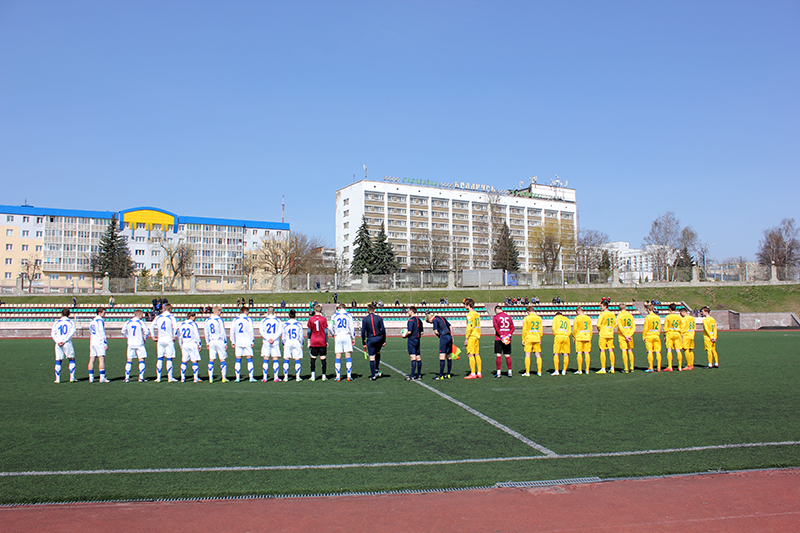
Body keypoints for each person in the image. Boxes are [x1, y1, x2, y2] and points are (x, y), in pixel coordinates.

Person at [151, 303, 179, 382]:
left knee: (160, 358)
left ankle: (158, 377)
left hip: (160, 339)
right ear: (170, 309)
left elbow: (151, 326)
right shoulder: (171, 317)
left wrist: (153, 336)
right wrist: (174, 336)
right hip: (168, 339)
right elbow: (176, 327)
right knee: (169, 358)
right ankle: (170, 377)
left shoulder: (158, 317)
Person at [122, 309, 150, 382]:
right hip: (139, 343)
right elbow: (147, 331)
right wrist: (144, 338)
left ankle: (127, 378)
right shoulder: (140, 322)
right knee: (141, 360)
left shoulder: (128, 322)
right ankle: (141, 377)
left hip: (131, 344)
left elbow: (123, 331)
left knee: (129, 360)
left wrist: (128, 337)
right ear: (139, 314)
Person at [51, 308, 77, 383]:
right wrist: (65, 340)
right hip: (67, 342)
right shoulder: (71, 322)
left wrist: (57, 341)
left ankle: (57, 379)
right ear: (69, 314)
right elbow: (71, 332)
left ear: (61, 314)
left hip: (58, 343)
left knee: (58, 360)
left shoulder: (56, 322)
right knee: (71, 359)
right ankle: (72, 377)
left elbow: (53, 333)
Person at [204, 305, 229, 383]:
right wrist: (225, 342)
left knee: (211, 359)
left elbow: (206, 332)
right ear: (218, 311)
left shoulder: (208, 320)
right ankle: (223, 377)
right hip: (219, 341)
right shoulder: (219, 320)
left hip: (211, 341)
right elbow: (222, 331)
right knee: (222, 359)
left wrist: (207, 342)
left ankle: (210, 378)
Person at [331, 303, 355, 381]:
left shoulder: (334, 315)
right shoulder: (349, 315)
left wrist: (333, 334)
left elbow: (330, 327)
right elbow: (352, 327)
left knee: (338, 356)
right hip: (346, 335)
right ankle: (349, 375)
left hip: (338, 336)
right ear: (345, 308)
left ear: (338, 308)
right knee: (348, 355)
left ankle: (338, 376)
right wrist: (353, 337)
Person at [362, 304, 386, 380]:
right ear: (374, 310)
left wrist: (363, 342)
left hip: (370, 339)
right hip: (379, 338)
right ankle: (376, 368)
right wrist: (384, 340)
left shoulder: (364, 319)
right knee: (378, 352)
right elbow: (383, 329)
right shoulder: (379, 318)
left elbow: (363, 332)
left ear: (367, 311)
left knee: (371, 357)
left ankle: (373, 375)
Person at [231, 306, 255, 382]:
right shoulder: (248, 319)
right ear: (245, 311)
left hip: (238, 342)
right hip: (247, 341)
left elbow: (232, 330)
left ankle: (237, 378)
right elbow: (251, 331)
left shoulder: (235, 319)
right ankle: (251, 377)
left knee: (238, 359)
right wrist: (252, 341)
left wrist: (232, 341)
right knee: (249, 359)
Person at [259, 307, 283, 382]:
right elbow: (280, 331)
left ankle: (265, 377)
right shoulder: (278, 320)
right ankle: (276, 377)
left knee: (266, 358)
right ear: (274, 312)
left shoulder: (263, 321)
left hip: (266, 342)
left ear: (267, 312)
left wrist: (268, 338)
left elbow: (261, 331)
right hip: (275, 342)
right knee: (275, 358)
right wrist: (273, 338)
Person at [427, 312, 453, 380]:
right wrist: (451, 336)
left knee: (442, 356)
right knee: (448, 356)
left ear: (430, 318)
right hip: (449, 337)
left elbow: (435, 331)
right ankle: (448, 374)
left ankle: (441, 375)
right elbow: (450, 326)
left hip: (443, 337)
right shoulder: (442, 317)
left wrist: (439, 336)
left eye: (429, 322)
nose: (431, 323)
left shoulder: (434, 319)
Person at [282, 308, 305, 381]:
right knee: (297, 359)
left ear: (289, 315)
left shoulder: (285, 324)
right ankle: (297, 377)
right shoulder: (299, 324)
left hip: (288, 342)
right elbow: (301, 336)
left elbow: (283, 336)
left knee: (286, 359)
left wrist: (283, 344)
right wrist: (301, 344)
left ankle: (285, 377)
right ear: (295, 315)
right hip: (296, 341)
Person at [307, 303, 329, 381]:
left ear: (314, 310)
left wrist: (309, 339)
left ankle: (313, 376)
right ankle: (324, 376)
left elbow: (309, 331)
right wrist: (326, 341)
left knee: (313, 358)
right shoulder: (323, 319)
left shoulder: (311, 319)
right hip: (322, 341)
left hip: (314, 341)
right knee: (323, 358)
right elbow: (325, 331)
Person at [179, 312, 203, 382]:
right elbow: (196, 334)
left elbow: (179, 336)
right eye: (194, 317)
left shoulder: (182, 324)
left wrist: (180, 344)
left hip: (185, 344)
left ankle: (182, 378)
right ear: (191, 317)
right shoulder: (193, 324)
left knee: (184, 361)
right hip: (192, 343)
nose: (195, 318)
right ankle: (195, 378)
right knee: (194, 360)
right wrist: (199, 344)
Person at [492, 305, 514, 378]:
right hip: (507, 339)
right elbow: (512, 328)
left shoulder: (495, 317)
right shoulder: (508, 317)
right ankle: (510, 372)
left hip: (499, 338)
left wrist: (501, 336)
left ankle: (498, 372)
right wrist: (508, 336)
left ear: (496, 310)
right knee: (507, 355)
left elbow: (496, 327)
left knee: (499, 355)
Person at [88, 308, 109, 383]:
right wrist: (105, 343)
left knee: (92, 359)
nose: (104, 314)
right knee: (101, 359)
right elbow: (102, 332)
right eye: (104, 313)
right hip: (99, 341)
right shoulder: (100, 321)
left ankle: (91, 378)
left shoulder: (92, 321)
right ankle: (102, 377)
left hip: (92, 341)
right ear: (100, 312)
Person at [521, 304, 543, 376]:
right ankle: (539, 371)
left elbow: (524, 330)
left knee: (527, 355)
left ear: (528, 311)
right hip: (537, 338)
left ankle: (527, 372)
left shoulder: (526, 318)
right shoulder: (539, 318)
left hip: (529, 338)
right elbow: (541, 330)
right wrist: (540, 338)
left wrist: (523, 339)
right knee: (538, 355)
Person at [463, 298, 482, 379]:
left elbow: (469, 327)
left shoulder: (469, 315)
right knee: (476, 354)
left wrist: (466, 338)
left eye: (465, 304)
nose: (464, 306)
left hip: (472, 336)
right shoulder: (477, 314)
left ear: (468, 305)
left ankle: (473, 373)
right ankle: (479, 372)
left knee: (470, 354)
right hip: (477, 335)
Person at [403, 306, 424, 380]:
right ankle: (419, 374)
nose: (408, 312)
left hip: (412, 340)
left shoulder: (410, 321)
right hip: (417, 340)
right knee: (418, 357)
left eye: (408, 311)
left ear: (411, 311)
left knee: (413, 357)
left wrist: (405, 335)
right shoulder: (419, 320)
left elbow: (409, 331)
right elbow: (422, 332)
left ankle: (412, 376)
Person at [596, 301, 617, 373]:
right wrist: (610, 329)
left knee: (602, 350)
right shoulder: (612, 314)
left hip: (603, 333)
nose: (600, 307)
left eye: (601, 306)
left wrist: (600, 329)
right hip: (610, 333)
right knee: (610, 350)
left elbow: (598, 325)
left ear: (605, 306)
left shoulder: (602, 314)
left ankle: (603, 368)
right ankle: (612, 367)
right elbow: (615, 324)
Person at [663, 303, 684, 371]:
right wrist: (681, 335)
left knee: (669, 350)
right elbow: (681, 326)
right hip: (677, 333)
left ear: (670, 309)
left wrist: (664, 335)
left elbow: (665, 327)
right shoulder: (679, 317)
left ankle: (670, 366)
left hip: (669, 333)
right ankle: (680, 367)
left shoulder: (668, 317)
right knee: (678, 350)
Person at [616, 303, 636, 373]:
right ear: (625, 308)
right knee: (630, 350)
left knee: (624, 350)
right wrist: (629, 335)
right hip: (629, 335)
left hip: (622, 335)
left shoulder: (619, 316)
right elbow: (633, 326)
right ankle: (632, 368)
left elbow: (620, 327)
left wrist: (625, 335)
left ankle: (626, 368)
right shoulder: (630, 315)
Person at [643, 304, 662, 372]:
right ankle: (658, 367)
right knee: (657, 351)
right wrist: (658, 334)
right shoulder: (657, 317)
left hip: (649, 336)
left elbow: (645, 328)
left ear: (648, 309)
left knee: (650, 351)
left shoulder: (647, 317)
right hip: (656, 335)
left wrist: (644, 336)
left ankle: (651, 367)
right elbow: (659, 327)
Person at [572, 307, 592, 375]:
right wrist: (590, 336)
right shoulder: (588, 318)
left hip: (579, 337)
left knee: (579, 352)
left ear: (578, 311)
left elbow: (574, 329)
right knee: (587, 353)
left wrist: (574, 337)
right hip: (587, 336)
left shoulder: (577, 318)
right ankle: (587, 370)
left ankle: (580, 370)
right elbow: (590, 328)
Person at [551, 311, 571, 376]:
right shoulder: (567, 319)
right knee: (566, 354)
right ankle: (564, 371)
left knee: (556, 353)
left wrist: (555, 334)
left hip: (558, 336)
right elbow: (569, 329)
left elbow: (554, 328)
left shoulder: (556, 318)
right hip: (566, 337)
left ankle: (557, 371)